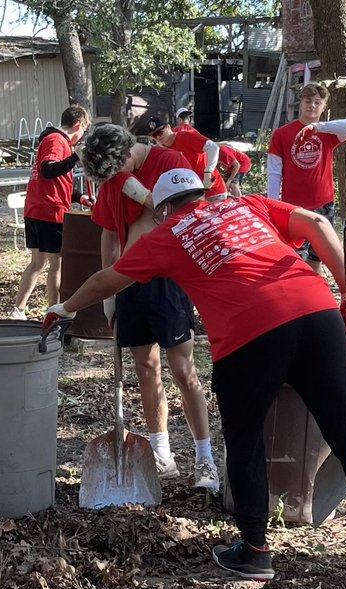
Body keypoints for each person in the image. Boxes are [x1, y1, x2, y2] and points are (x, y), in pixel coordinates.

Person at [42, 169, 346, 584]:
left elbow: (105, 280)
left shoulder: (167, 235)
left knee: (245, 436)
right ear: (204, 195)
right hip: (317, 315)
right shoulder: (245, 204)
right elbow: (319, 223)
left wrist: (67, 307)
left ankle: (255, 551)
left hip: (248, 335)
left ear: (164, 211)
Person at [77, 124, 219, 490]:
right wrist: (109, 291)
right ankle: (162, 453)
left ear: (126, 153)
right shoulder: (112, 178)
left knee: (183, 369)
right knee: (145, 367)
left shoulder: (170, 161)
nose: (114, 180)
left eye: (116, 171)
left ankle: (205, 459)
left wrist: (144, 196)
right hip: (129, 281)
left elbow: (188, 218)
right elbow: (109, 232)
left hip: (168, 279)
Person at [10, 104, 91, 319]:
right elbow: (48, 170)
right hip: (49, 210)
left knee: (38, 262)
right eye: (83, 130)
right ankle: (54, 311)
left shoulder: (53, 141)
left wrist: (79, 197)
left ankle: (19, 309)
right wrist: (75, 157)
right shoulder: (57, 140)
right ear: (78, 125)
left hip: (37, 208)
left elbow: (59, 178)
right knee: (57, 262)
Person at [266, 82, 346, 271]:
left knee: (317, 255)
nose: (312, 106)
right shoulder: (281, 134)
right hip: (293, 206)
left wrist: (317, 127)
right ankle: (298, 294)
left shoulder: (328, 133)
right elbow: (274, 173)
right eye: (308, 101)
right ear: (301, 103)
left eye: (318, 102)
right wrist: (271, 206)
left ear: (324, 107)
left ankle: (315, 292)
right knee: (295, 256)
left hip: (323, 204)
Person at [146, 115, 219, 198]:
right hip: (194, 194)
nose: (158, 136)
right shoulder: (162, 150)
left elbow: (213, 147)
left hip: (212, 191)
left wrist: (208, 173)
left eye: (160, 132)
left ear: (168, 127)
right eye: (154, 135)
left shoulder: (186, 136)